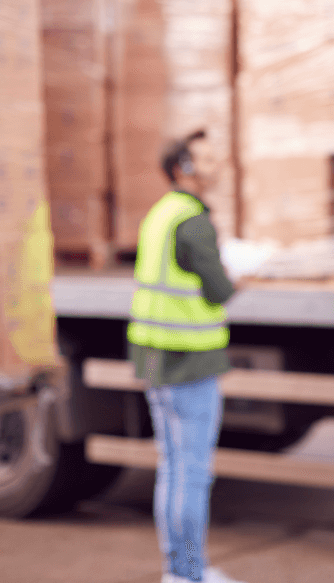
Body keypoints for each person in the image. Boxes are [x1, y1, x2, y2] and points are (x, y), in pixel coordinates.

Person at [127, 130, 245, 583]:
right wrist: (242, 276)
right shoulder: (193, 220)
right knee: (191, 473)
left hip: (157, 358)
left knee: (173, 468)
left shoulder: (161, 213)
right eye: (206, 159)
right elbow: (219, 290)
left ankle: (178, 569)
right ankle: (189, 574)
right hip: (188, 363)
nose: (216, 166)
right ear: (184, 169)